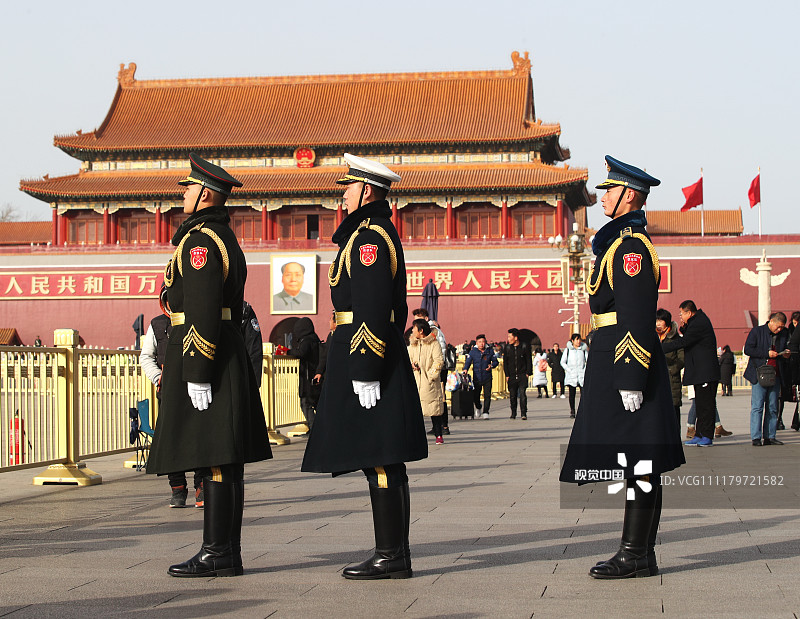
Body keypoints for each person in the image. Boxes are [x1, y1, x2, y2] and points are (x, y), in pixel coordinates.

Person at [301, 153, 427, 580]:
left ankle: (391, 554)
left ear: (366, 190)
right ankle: (394, 553)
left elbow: (372, 309)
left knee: (381, 458)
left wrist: (366, 368)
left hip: (366, 355)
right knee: (383, 458)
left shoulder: (369, 238)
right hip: (367, 352)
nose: (344, 194)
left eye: (348, 187)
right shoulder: (368, 234)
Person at [146, 153, 272, 578]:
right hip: (225, 350)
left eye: (187, 187)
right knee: (224, 458)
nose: (182, 193)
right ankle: (225, 551)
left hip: (206, 357)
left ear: (204, 194)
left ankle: (217, 551)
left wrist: (197, 372)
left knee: (214, 456)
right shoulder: (222, 237)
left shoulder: (199, 242)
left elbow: (200, 307)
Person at [560, 155, 685, 579]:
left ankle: (635, 553)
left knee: (641, 462)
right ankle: (639, 554)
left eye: (609, 190)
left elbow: (634, 313)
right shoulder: (618, 244)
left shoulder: (630, 248)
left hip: (624, 361)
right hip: (615, 355)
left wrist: (630, 376)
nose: (603, 196)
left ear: (629, 195)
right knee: (638, 462)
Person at [140, 286, 204, 508]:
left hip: (196, 390)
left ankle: (200, 486)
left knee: (198, 437)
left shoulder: (197, 321)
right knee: (171, 438)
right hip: (168, 391)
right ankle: (177, 487)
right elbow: (146, 357)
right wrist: (159, 378)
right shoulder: (157, 324)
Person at [662, 300, 720, 447]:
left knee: (706, 406)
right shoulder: (695, 322)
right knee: (700, 406)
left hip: (706, 371)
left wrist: (660, 348)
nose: (680, 316)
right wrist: (684, 328)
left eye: (681, 313)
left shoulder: (699, 322)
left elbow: (684, 342)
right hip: (699, 372)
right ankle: (699, 434)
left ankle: (707, 436)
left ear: (689, 312)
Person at [743, 312, 790, 446]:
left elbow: (787, 346)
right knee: (758, 406)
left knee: (772, 406)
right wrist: (766, 353)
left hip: (776, 374)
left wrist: (785, 353)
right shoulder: (757, 331)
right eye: (778, 326)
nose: (779, 329)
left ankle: (770, 436)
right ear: (771, 322)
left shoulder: (784, 333)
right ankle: (756, 437)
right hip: (760, 372)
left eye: (782, 327)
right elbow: (748, 349)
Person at [408, 319, 445, 443]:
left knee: (434, 409)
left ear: (421, 330)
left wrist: (431, 376)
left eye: (414, 328)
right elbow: (407, 358)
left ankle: (438, 434)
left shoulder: (434, 344)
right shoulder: (412, 345)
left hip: (429, 383)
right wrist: (412, 365)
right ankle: (416, 436)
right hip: (416, 381)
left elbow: (438, 361)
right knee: (415, 411)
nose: (412, 331)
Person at [413, 308, 450, 435]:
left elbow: (441, 352)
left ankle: (443, 426)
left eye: (418, 320)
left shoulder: (435, 334)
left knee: (438, 400)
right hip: (420, 374)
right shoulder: (415, 340)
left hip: (434, 373)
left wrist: (432, 374)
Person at [289, 317, 321, 428]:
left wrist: (289, 352)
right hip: (315, 377)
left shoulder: (306, 341)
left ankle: (314, 429)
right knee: (317, 404)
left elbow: (302, 353)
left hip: (308, 379)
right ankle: (321, 428)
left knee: (305, 404)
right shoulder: (314, 338)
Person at [656, 308, 684, 426]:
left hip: (671, 380)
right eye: (656, 320)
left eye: (660, 321)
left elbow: (682, 359)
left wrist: (671, 370)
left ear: (666, 322)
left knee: (673, 411)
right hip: (655, 381)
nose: (657, 323)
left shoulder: (676, 339)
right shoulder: (652, 337)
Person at [462, 334, 498, 419]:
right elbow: (468, 361)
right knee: (476, 396)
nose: (481, 344)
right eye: (479, 342)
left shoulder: (489, 351)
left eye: (483, 342)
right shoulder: (473, 352)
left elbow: (496, 362)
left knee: (487, 395)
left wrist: (491, 366)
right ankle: (478, 407)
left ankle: (486, 412)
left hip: (487, 376)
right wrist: (465, 369)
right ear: (477, 343)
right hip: (477, 377)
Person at [504, 328, 532, 419]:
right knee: (512, 396)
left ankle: (523, 413)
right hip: (511, 376)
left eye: (509, 336)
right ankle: (513, 412)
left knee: (523, 395)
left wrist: (528, 373)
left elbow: (528, 360)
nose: (508, 338)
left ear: (515, 338)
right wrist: (507, 375)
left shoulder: (524, 346)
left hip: (522, 375)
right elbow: (505, 363)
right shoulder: (507, 348)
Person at [561, 333, 588, 418]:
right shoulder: (568, 350)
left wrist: (584, 370)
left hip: (581, 375)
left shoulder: (583, 350)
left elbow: (588, 361)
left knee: (583, 394)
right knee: (571, 394)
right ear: (572, 341)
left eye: (579, 339)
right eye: (576, 339)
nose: (578, 341)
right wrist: (569, 370)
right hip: (571, 375)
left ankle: (583, 410)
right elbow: (562, 362)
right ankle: (572, 410)